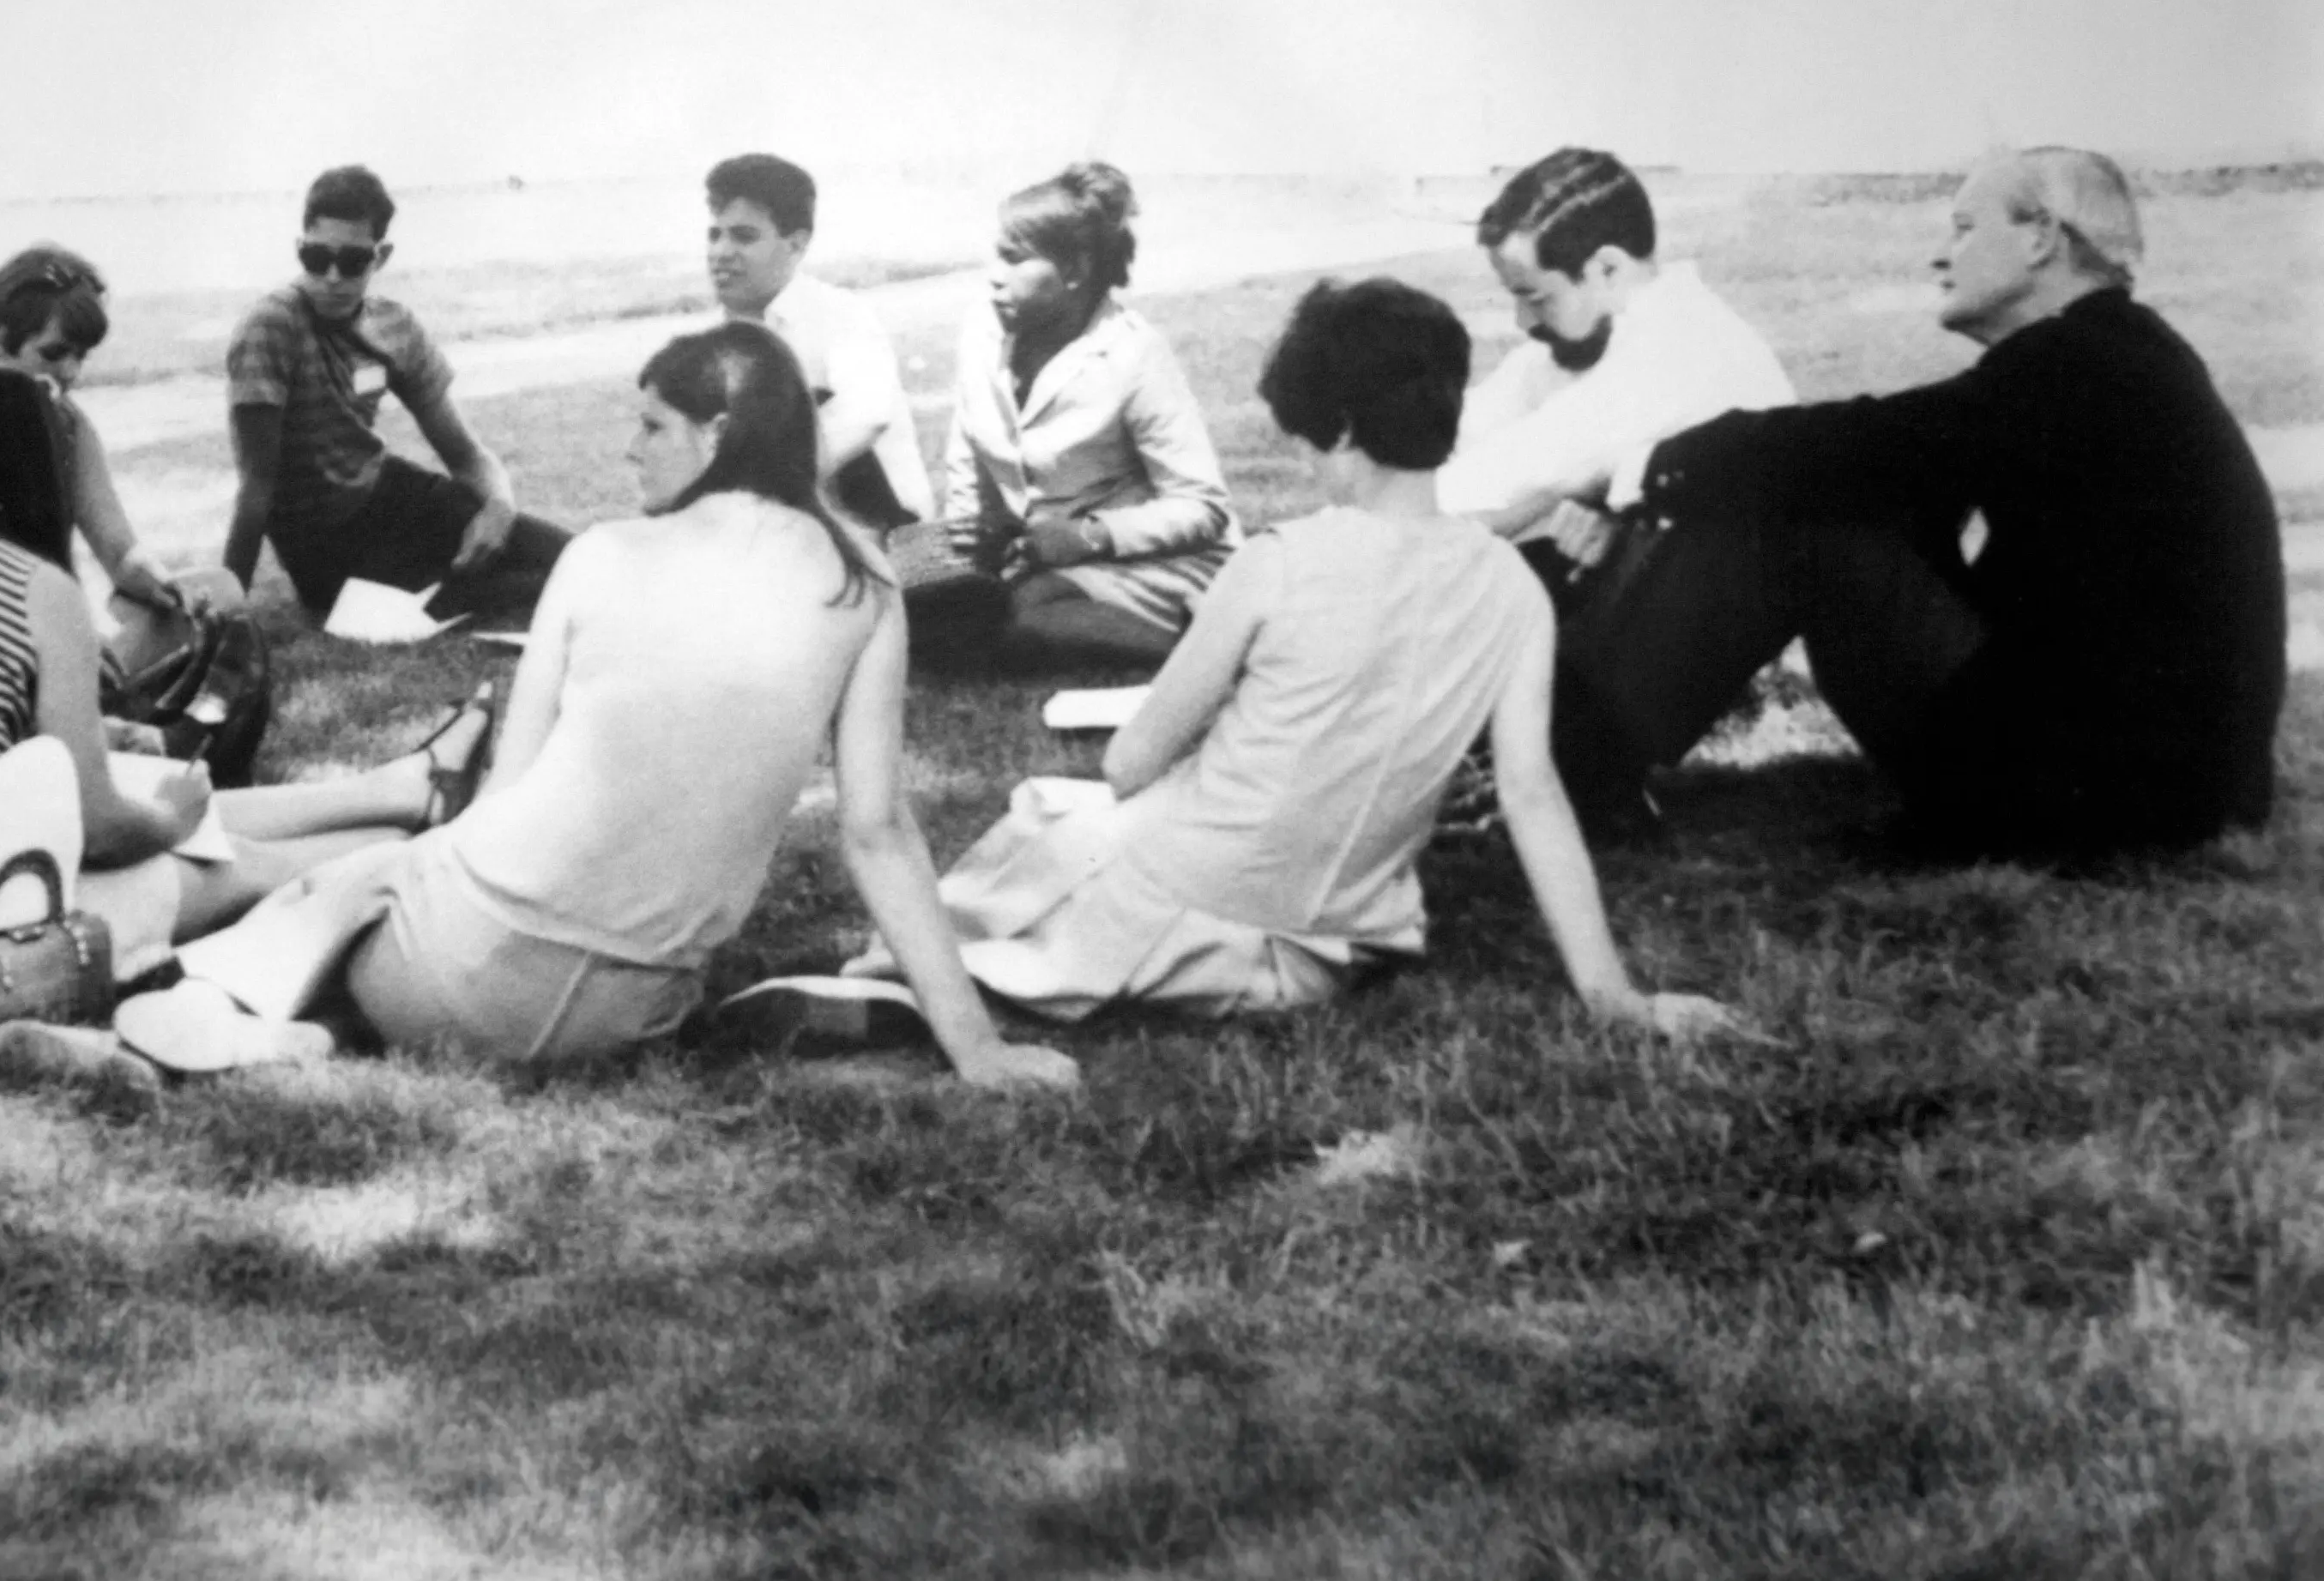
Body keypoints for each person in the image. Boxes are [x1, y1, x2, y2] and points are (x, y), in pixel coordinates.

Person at [105, 323, 1078, 1092]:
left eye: (652, 426)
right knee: (415, 901)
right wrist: (978, 1049)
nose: (629, 449)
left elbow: (504, 797)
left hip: (459, 970)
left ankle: (217, 996)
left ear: (716, 435)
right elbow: (878, 830)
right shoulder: (863, 583)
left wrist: (417, 852)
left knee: (364, 874)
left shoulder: (601, 555)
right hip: (631, 1012)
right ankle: (312, 1025)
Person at [871, 278, 1741, 1036]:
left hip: (1188, 909)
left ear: (1343, 429)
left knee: (1059, 821)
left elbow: (1130, 762)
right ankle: (923, 958)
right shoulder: (1513, 585)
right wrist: (1613, 994)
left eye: (1309, 437)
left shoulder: (1277, 563)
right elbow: (1533, 794)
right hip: (1336, 943)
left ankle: (903, 966)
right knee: (1086, 827)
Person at [1566, 148, 2285, 858]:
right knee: (1835, 487)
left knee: (1803, 515)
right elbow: (1906, 470)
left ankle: (1575, 764)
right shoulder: (2122, 353)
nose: (1941, 255)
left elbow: (1867, 443)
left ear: (2041, 238)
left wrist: (1649, 469)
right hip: (2153, 781)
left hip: (2111, 798)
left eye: (1965, 229)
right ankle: (1579, 745)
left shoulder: (2080, 364)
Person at [0, 367, 474, 1014]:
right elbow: (102, 829)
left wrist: (127, 763)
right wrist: (169, 822)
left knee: (181, 802)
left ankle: (400, 791)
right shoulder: (32, 585)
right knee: (231, 860)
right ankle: (425, 846)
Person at [907, 162, 1239, 667]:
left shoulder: (1132, 354)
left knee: (1028, 614)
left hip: (1154, 563)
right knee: (929, 609)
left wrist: (1090, 535)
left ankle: (1206, 652)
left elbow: (1202, 507)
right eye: (997, 256)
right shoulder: (982, 334)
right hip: (1037, 567)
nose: (994, 277)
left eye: (1014, 259)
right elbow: (969, 471)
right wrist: (961, 566)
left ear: (1076, 271)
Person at [220, 164, 572, 625]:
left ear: (381, 257)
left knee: (570, 557)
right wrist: (227, 605)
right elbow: (256, 484)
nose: (332, 277)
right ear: (299, 249)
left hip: (392, 496)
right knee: (496, 591)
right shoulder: (269, 328)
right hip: (322, 542)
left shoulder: (393, 326)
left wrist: (499, 510)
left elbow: (466, 454)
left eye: (352, 262)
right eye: (316, 257)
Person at [0, 244, 269, 780]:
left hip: (64, 639)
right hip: (0, 658)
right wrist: (67, 640)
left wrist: (162, 585)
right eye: (53, 353)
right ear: (1, 340)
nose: (70, 371)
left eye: (81, 356)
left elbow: (117, 548)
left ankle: (132, 729)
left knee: (222, 591)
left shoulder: (69, 426)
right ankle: (128, 740)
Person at [1438, 148, 1792, 573]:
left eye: (1536, 297)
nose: (1523, 321)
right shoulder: (1591, 338)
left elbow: (1482, 486)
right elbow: (1453, 432)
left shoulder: (1683, 353)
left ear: (1608, 269)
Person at [703, 153, 932, 534]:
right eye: (715, 234)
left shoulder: (839, 315)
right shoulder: (717, 338)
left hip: (885, 529)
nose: (721, 252)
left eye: (744, 236)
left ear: (796, 244)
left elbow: (866, 417)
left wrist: (762, 489)